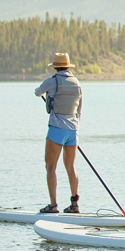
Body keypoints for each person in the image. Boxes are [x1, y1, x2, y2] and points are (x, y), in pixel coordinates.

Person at [34, 52, 82, 214]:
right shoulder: (77, 83)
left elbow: (37, 92)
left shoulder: (51, 81)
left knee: (51, 166)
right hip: (73, 130)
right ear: (68, 66)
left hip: (56, 128)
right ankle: (74, 204)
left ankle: (53, 205)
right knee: (70, 167)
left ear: (55, 66)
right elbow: (79, 108)